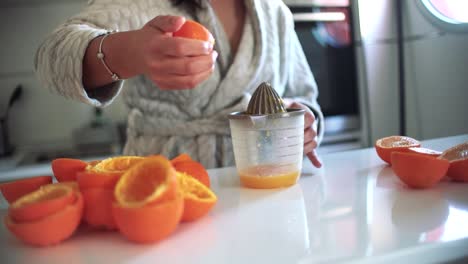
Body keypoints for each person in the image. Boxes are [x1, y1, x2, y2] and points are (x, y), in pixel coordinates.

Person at [35, 0, 324, 169]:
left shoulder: (274, 11)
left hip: (258, 193)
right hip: (163, 188)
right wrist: (133, 51)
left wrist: (305, 123)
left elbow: (303, 95)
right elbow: (51, 57)